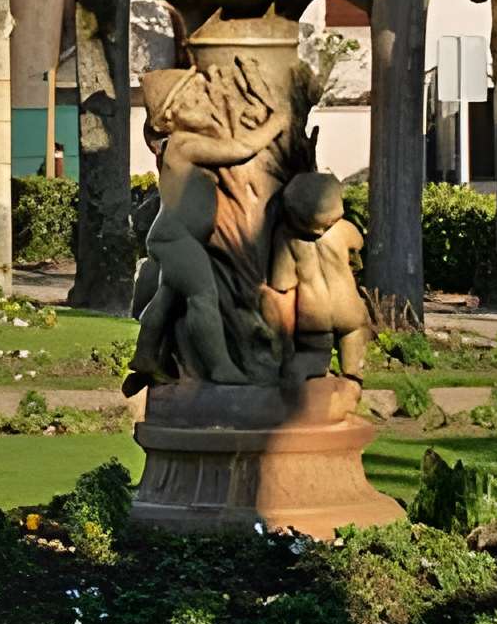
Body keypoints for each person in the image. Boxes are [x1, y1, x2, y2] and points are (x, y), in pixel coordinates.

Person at [128, 66, 269, 392]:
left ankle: (146, 354)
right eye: (193, 102)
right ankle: (220, 367)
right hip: (178, 238)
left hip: (172, 237)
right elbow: (239, 149)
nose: (202, 107)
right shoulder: (183, 144)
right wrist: (273, 124)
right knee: (203, 296)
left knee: (167, 296)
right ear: (171, 116)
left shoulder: (177, 144)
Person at [262, 168, 370, 379]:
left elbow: (282, 282)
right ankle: (352, 374)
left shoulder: (285, 237)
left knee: (313, 353)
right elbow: (358, 245)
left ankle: (311, 372)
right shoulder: (344, 230)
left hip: (312, 314)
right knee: (354, 334)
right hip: (347, 307)